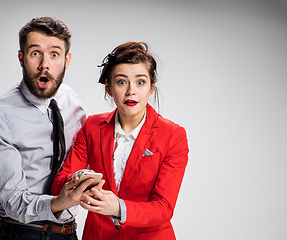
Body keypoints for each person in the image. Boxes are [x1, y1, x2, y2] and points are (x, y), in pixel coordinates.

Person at [51, 41, 189, 239]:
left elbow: (164, 208)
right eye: (121, 82)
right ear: (109, 88)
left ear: (151, 88)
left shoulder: (173, 135)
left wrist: (119, 208)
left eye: (140, 82)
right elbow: (59, 184)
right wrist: (80, 182)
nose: (131, 91)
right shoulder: (91, 126)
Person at [0, 17, 94, 240]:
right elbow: (12, 200)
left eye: (54, 54)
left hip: (69, 230)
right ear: (21, 58)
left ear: (67, 60)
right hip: (24, 231)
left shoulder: (72, 100)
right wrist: (62, 201)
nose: (44, 64)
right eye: (35, 53)